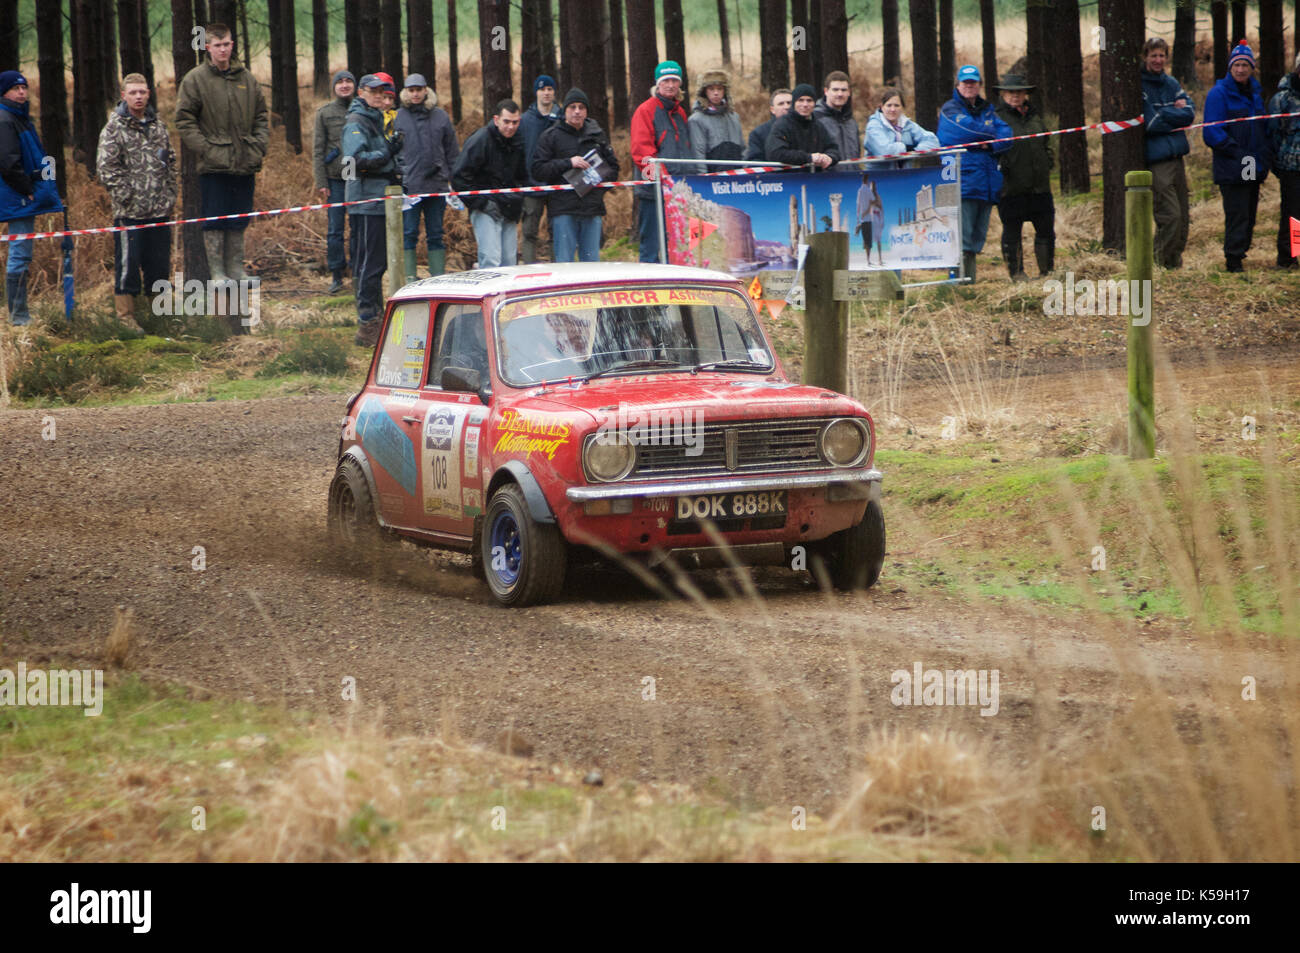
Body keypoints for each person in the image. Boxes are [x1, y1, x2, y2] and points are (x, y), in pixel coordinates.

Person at [175, 22, 268, 301]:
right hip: (214, 164)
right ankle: (217, 273)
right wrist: (206, 149)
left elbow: (262, 117)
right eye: (217, 45)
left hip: (244, 161)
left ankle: (235, 269)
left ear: (232, 44)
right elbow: (183, 119)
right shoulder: (196, 79)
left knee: (239, 216)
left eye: (227, 43)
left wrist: (259, 146)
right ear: (207, 47)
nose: (223, 49)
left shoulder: (247, 78)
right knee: (215, 218)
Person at [96, 72, 177, 330]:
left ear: (148, 94)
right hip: (130, 213)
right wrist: (126, 197)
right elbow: (106, 168)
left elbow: (170, 160)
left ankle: (160, 314)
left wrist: (169, 193)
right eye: (133, 93)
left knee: (159, 264)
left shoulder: (158, 126)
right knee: (128, 266)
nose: (138, 97)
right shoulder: (114, 128)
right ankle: (126, 318)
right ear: (124, 96)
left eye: (142, 92)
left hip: (159, 211)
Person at [342, 74, 403, 347]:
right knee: (369, 262)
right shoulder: (357, 121)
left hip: (379, 198)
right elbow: (352, 162)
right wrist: (386, 155)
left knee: (376, 262)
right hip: (366, 201)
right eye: (374, 91)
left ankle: (375, 317)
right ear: (362, 92)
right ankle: (368, 322)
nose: (379, 96)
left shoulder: (376, 119)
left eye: (384, 92)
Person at [0, 70, 63, 327]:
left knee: (22, 253)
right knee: (20, 253)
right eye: (16, 88)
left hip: (21, 196)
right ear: (4, 92)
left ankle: (19, 314)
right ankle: (18, 318)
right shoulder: (5, 120)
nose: (22, 92)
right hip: (17, 197)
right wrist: (27, 188)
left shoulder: (20, 118)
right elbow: (8, 162)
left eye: (24, 87)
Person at [937, 65, 1012, 281]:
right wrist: (990, 135)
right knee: (962, 236)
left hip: (987, 182)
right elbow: (966, 131)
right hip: (963, 182)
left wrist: (988, 145)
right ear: (958, 85)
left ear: (979, 85)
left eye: (973, 83)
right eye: (965, 83)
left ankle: (969, 280)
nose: (969, 86)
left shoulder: (987, 109)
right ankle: (956, 281)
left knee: (977, 237)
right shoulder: (950, 109)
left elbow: (1007, 134)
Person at [1203, 42, 1273, 272]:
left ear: (1252, 68)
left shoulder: (1254, 94)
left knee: (1250, 212)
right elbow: (1211, 131)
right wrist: (1236, 151)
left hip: (1253, 163)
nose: (1241, 69)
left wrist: (1263, 156)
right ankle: (1233, 260)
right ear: (1230, 67)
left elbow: (1262, 128)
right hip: (1233, 164)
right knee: (1237, 213)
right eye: (1237, 65)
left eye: (1245, 65)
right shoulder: (1219, 93)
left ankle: (1241, 252)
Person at [531, 88, 620, 262]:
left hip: (592, 208)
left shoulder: (597, 135)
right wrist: (568, 163)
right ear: (565, 111)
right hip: (563, 209)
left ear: (586, 111)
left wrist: (596, 182)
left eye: (581, 107)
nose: (577, 111)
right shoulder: (551, 136)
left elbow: (613, 169)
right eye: (572, 107)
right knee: (565, 264)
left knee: (591, 263)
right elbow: (538, 169)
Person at [630, 60, 700, 262]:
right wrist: (663, 180)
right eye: (666, 80)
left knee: (678, 244)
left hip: (678, 191)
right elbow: (641, 152)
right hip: (654, 192)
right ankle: (648, 286)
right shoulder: (645, 110)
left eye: (674, 81)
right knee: (651, 245)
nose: (670, 85)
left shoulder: (680, 113)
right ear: (657, 84)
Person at [394, 72, 458, 282]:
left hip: (437, 184)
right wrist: (398, 178)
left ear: (425, 90)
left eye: (419, 90)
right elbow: (392, 151)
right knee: (409, 233)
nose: (415, 94)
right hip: (410, 187)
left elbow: (451, 151)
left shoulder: (440, 116)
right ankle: (410, 280)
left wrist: (451, 179)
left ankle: (437, 279)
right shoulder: (398, 117)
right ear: (406, 92)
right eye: (411, 90)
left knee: (436, 233)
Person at [451, 99, 527, 269]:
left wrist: (518, 198)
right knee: (491, 260)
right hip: (485, 208)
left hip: (510, 207)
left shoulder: (519, 141)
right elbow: (458, 177)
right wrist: (482, 203)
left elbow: (523, 176)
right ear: (496, 119)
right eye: (506, 121)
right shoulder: (481, 140)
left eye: (515, 122)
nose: (510, 127)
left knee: (509, 262)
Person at [993, 73, 1055, 280]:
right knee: (1012, 231)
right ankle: (1017, 273)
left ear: (1026, 93)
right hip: (1011, 187)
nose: (1015, 96)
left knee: (1046, 229)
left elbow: (1046, 143)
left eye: (1019, 92)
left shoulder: (1035, 116)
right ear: (1003, 94)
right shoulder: (996, 118)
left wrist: (1048, 160)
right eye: (1010, 92)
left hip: (1040, 186)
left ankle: (1047, 272)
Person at [1141, 38, 1194, 270]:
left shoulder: (1171, 83)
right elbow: (1151, 124)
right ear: (1145, 57)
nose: (1158, 60)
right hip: (1157, 161)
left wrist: (1166, 114)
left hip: (1177, 158)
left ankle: (1174, 265)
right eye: (1153, 55)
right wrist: (1175, 112)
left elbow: (1190, 114)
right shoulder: (1139, 86)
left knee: (1183, 217)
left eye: (1161, 55)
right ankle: (1157, 263)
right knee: (1170, 216)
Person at [312, 69, 355, 294]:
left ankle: (358, 271)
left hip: (359, 179)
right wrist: (322, 182)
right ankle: (337, 274)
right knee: (335, 230)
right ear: (334, 87)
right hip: (335, 180)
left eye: (349, 81)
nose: (345, 85)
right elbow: (318, 150)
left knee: (359, 227)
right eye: (340, 82)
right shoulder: (325, 113)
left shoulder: (363, 110)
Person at [519, 75, 561, 263]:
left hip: (556, 184)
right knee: (529, 232)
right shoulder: (525, 120)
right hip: (531, 184)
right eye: (542, 89)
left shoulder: (562, 117)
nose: (546, 93)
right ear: (536, 92)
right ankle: (528, 270)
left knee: (557, 232)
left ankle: (558, 272)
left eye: (550, 89)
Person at [1268, 53, 1300, 268]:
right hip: (1291, 166)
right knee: (1294, 215)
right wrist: (1280, 161)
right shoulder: (1282, 98)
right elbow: (1273, 134)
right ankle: (1289, 257)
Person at [765, 84, 840, 170]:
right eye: (800, 100)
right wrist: (809, 158)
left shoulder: (818, 126)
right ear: (794, 103)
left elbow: (833, 149)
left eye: (809, 100)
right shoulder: (782, 125)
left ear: (814, 104)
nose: (805, 104)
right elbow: (776, 153)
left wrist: (830, 157)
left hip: (816, 179)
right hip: (789, 179)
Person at [864, 87, 939, 160]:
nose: (893, 109)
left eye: (897, 105)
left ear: (902, 107)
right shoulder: (873, 126)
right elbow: (885, 152)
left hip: (906, 172)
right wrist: (906, 148)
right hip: (880, 172)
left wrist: (914, 150)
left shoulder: (907, 124)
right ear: (881, 107)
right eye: (889, 105)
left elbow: (933, 142)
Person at [688, 69, 744, 161]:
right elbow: (698, 154)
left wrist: (744, 172)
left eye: (719, 88)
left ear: (725, 91)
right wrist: (703, 175)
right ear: (704, 92)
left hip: (736, 172)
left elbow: (743, 149)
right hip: (712, 173)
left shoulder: (734, 117)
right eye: (711, 89)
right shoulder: (696, 120)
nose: (716, 93)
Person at [814, 70, 860, 161]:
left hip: (853, 173)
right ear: (826, 91)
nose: (840, 94)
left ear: (849, 92)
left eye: (843, 90)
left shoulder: (851, 121)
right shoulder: (816, 119)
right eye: (835, 90)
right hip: (827, 174)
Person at [744, 89, 791, 161]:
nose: (786, 107)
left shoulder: (805, 128)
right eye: (781, 104)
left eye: (789, 103)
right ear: (772, 110)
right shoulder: (758, 133)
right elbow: (754, 161)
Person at [855, 176, 885, 265]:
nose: (872, 187)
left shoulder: (877, 196)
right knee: (868, 240)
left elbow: (880, 208)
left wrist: (882, 220)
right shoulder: (866, 193)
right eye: (871, 186)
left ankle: (880, 259)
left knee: (878, 239)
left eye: (873, 186)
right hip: (869, 219)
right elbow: (860, 205)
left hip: (876, 218)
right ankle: (868, 260)